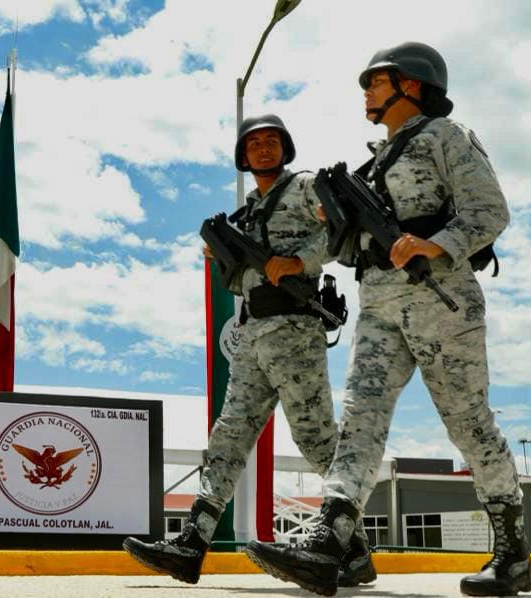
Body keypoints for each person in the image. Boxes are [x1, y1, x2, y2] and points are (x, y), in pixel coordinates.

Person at [245, 42, 531, 598]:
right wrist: (341, 228)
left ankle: (512, 551)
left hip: (440, 297)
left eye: (376, 81)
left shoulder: (447, 138)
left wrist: (433, 244)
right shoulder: (373, 162)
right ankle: (331, 539)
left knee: (468, 422)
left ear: (413, 84)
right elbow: (350, 248)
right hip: (379, 302)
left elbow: (489, 211)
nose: (367, 90)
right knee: (360, 417)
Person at [122, 114, 374, 588]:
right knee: (228, 436)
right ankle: (191, 544)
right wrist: (224, 259)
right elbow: (239, 277)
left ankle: (351, 546)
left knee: (316, 439)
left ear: (285, 147)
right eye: (253, 143)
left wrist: (300, 260)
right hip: (255, 329)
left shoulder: (303, 189)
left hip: (295, 328)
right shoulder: (246, 214)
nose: (262, 149)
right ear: (243, 156)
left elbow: (342, 233)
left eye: (271, 141)